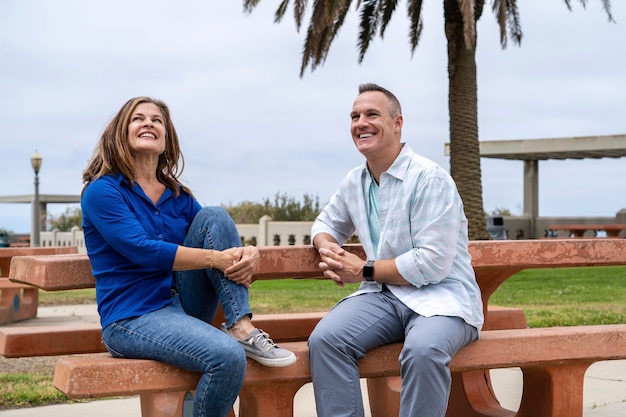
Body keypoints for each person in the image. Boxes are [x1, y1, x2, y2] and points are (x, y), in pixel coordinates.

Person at [81, 97, 296, 417]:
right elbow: (142, 249)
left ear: (167, 139)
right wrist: (216, 259)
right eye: (138, 119)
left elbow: (215, 237)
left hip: (183, 306)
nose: (149, 123)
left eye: (157, 120)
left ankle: (241, 326)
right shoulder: (103, 191)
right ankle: (234, 340)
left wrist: (249, 252)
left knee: (215, 216)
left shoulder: (178, 195)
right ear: (119, 134)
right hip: (132, 318)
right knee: (227, 358)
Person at [308, 83, 484, 417]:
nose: (361, 122)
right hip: (384, 296)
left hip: (443, 298)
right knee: (326, 341)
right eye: (355, 116)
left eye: (372, 114)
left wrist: (363, 269)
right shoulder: (354, 181)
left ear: (397, 123)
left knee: (423, 350)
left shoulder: (430, 178)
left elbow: (432, 264)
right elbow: (324, 224)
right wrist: (328, 249)